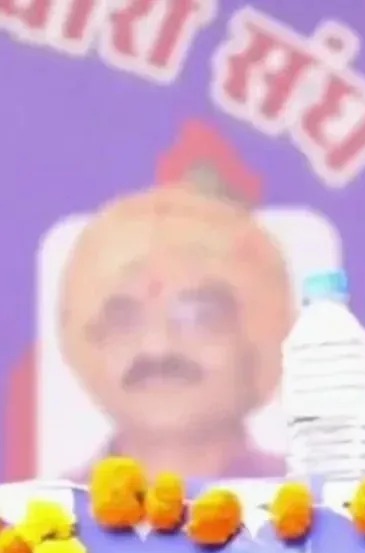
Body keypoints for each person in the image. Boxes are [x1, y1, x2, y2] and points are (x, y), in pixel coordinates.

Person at [57, 121, 293, 478]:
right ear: (87, 343)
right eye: (124, 320)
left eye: (198, 317)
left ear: (258, 337)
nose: (157, 348)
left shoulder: (311, 506)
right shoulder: (41, 511)